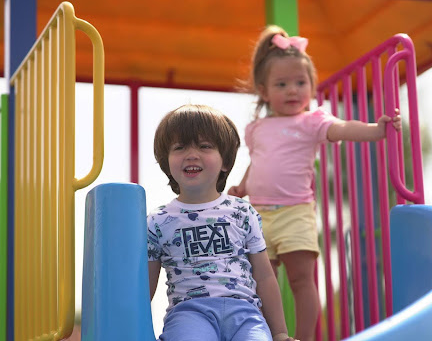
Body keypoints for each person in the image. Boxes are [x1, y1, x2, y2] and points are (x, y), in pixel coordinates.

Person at [228, 25, 402, 341]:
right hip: (259, 215)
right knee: (260, 279)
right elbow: (258, 162)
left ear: (311, 86)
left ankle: (306, 338)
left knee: (301, 280)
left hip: (296, 212)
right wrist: (243, 187)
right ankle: (272, 334)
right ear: (265, 91)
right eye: (282, 84)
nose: (293, 90)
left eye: (300, 82)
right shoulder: (256, 129)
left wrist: (375, 130)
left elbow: (344, 128)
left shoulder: (312, 122)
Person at [147, 104, 296, 341]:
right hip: (189, 313)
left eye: (204, 146)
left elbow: (265, 275)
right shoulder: (157, 221)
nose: (192, 154)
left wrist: (279, 332)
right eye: (180, 147)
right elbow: (146, 287)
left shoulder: (242, 212)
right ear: (167, 162)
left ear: (225, 162)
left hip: (246, 313)